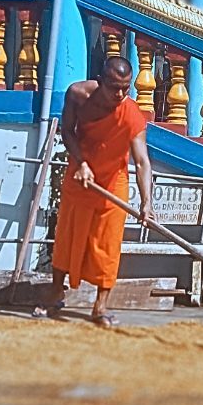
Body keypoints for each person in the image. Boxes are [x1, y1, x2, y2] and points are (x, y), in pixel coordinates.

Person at [36, 56, 155, 327]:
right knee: (67, 236)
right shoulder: (78, 95)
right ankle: (56, 292)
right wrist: (81, 162)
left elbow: (142, 162)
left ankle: (100, 306)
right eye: (114, 87)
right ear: (100, 81)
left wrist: (147, 202)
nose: (120, 94)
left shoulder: (131, 115)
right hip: (81, 175)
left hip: (113, 182)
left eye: (126, 87)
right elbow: (67, 132)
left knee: (107, 244)